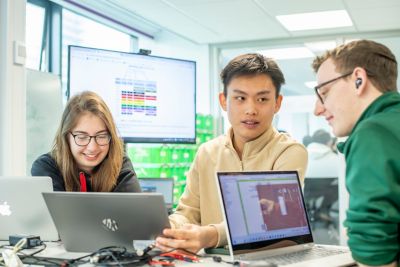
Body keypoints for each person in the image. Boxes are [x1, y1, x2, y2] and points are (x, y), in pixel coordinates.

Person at [156, 53, 308, 253]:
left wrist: (210, 235)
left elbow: (268, 221)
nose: (251, 109)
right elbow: (189, 213)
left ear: (277, 103)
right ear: (223, 101)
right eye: (240, 98)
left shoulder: (289, 151)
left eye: (262, 99)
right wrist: (169, 228)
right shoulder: (207, 152)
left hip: (269, 261)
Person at [312, 40, 400, 267]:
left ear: (358, 80)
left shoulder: (372, 133)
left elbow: (375, 252)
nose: (318, 108)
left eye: (325, 92)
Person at [31, 91, 141, 192]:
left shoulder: (120, 164)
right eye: (82, 137)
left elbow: (134, 211)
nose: (92, 147)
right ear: (66, 137)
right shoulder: (46, 167)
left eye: (101, 136)